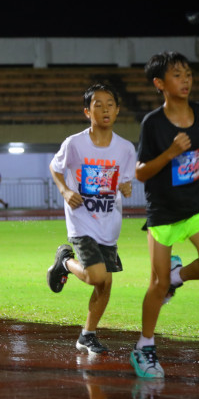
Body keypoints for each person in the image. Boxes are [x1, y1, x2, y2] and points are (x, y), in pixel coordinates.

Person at [129, 51, 199, 378]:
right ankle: (144, 346)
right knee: (157, 285)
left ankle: (178, 276)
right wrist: (171, 152)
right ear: (160, 83)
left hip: (198, 205)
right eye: (177, 75)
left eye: (188, 73)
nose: (185, 80)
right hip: (163, 212)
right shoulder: (153, 123)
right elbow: (140, 173)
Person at [47, 83, 136, 355]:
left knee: (106, 283)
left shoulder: (125, 148)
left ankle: (87, 335)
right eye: (98, 105)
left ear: (118, 110)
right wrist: (65, 190)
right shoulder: (74, 143)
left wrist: (126, 187)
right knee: (97, 276)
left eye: (110, 104)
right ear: (87, 111)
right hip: (81, 220)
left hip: (109, 223)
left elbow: (125, 181)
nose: (105, 109)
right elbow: (55, 167)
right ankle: (65, 260)